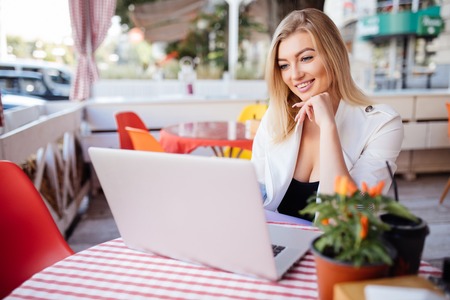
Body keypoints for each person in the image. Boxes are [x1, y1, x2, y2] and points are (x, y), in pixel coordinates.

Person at [251, 9, 404, 220]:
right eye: (284, 65)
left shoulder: (382, 123)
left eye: (306, 58)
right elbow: (254, 194)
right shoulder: (276, 116)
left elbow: (360, 212)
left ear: (334, 55)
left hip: (336, 249)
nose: (294, 75)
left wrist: (328, 128)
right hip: (277, 243)